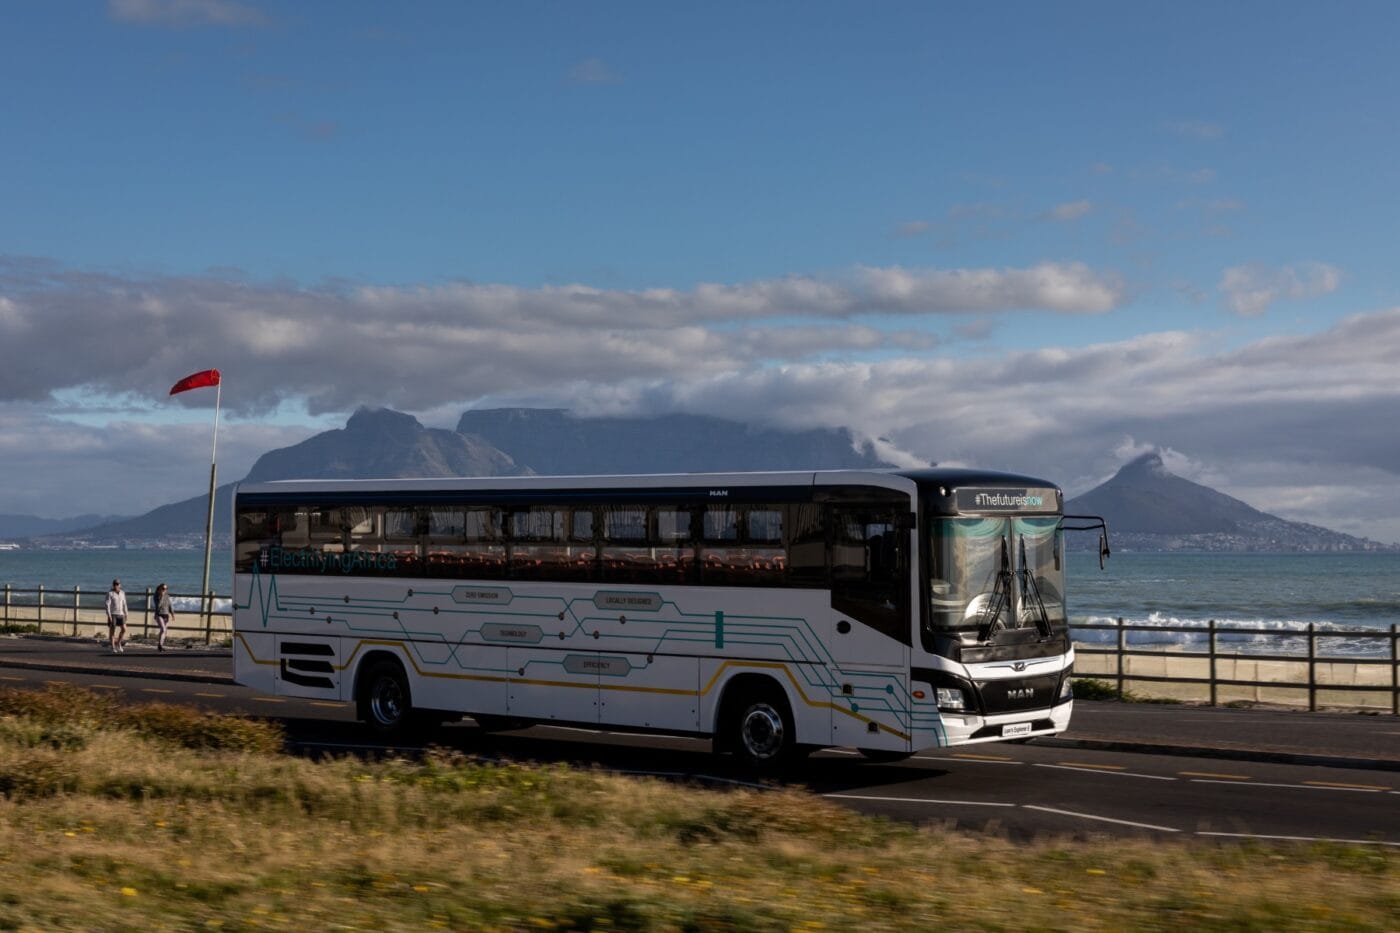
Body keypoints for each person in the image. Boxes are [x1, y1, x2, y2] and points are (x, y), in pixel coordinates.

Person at [105, 579, 128, 654]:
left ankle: (118, 643)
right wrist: (109, 616)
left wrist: (126, 613)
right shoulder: (110, 593)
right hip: (113, 614)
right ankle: (113, 647)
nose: (116, 585)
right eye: (115, 584)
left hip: (121, 614)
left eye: (117, 584)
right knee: (112, 631)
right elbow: (107, 605)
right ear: (113, 585)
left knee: (124, 629)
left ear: (120, 585)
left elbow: (124, 604)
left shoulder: (122, 593)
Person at [153, 582, 174, 652]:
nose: (165, 590)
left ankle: (160, 645)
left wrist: (172, 614)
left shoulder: (167, 596)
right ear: (159, 589)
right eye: (163, 589)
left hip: (166, 615)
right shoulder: (156, 596)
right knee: (163, 629)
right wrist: (161, 596)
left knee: (164, 631)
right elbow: (158, 605)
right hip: (159, 614)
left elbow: (170, 605)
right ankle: (160, 645)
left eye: (166, 589)